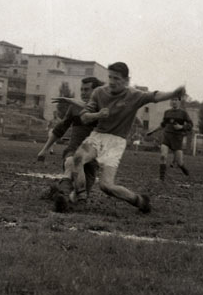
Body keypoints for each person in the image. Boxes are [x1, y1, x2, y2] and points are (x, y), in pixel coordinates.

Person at [68, 62, 186, 213]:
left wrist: (173, 93)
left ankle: (140, 201)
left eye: (116, 78)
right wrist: (98, 115)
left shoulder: (133, 95)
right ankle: (81, 198)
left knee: (106, 186)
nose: (112, 82)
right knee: (78, 158)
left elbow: (154, 96)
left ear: (126, 80)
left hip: (116, 142)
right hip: (98, 136)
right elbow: (84, 117)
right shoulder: (99, 92)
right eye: (110, 77)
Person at [38, 76, 104, 212]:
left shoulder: (102, 109)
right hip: (73, 149)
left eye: (87, 90)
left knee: (74, 198)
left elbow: (95, 110)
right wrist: (45, 149)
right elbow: (60, 129)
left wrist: (71, 100)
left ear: (96, 91)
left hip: (92, 157)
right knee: (71, 161)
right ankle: (62, 194)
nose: (83, 92)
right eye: (81, 89)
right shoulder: (74, 108)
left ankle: (59, 192)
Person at [149, 96, 192, 180]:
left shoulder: (183, 113)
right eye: (172, 100)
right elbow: (163, 125)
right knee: (163, 156)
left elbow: (190, 125)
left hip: (177, 138)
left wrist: (181, 127)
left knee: (179, 162)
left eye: (176, 100)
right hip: (167, 136)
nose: (174, 102)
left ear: (179, 102)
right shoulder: (167, 112)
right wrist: (153, 131)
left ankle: (183, 168)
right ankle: (161, 178)